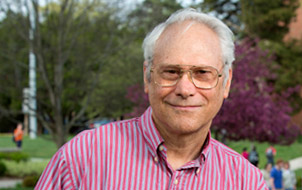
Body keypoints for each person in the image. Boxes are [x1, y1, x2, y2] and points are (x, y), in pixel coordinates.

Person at [35, 8, 268, 190]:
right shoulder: (82, 158)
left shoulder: (246, 181)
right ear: (147, 77)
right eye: (171, 72)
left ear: (225, 82)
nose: (185, 89)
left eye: (202, 73)